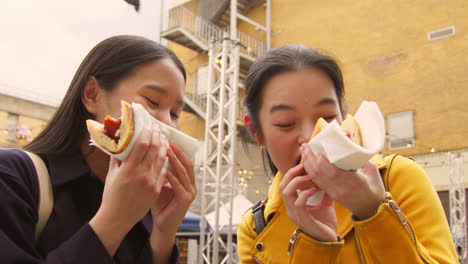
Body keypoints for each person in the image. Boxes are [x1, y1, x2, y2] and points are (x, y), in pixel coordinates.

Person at [237, 44, 457, 263]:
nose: (310, 136)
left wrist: (373, 212)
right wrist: (316, 244)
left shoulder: (397, 178)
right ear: (256, 132)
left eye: (328, 117)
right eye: (285, 123)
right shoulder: (256, 228)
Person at [0, 35, 197, 263]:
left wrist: (164, 235)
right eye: (152, 102)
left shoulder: (147, 204)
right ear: (92, 94)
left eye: (175, 114)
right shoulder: (13, 177)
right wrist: (115, 220)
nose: (166, 124)